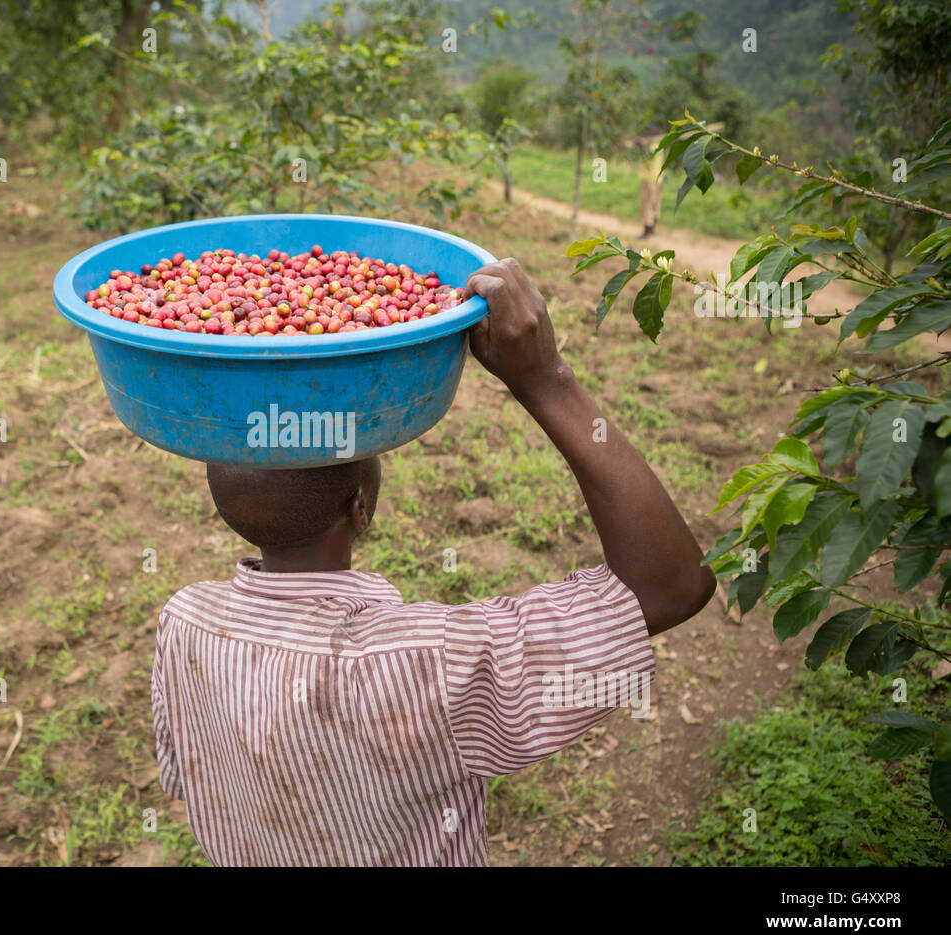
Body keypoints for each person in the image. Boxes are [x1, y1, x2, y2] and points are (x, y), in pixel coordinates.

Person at [150, 258, 715, 865]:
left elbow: (185, 776)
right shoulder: (433, 663)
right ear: (361, 506)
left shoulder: (182, 622)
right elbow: (671, 586)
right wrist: (546, 379)